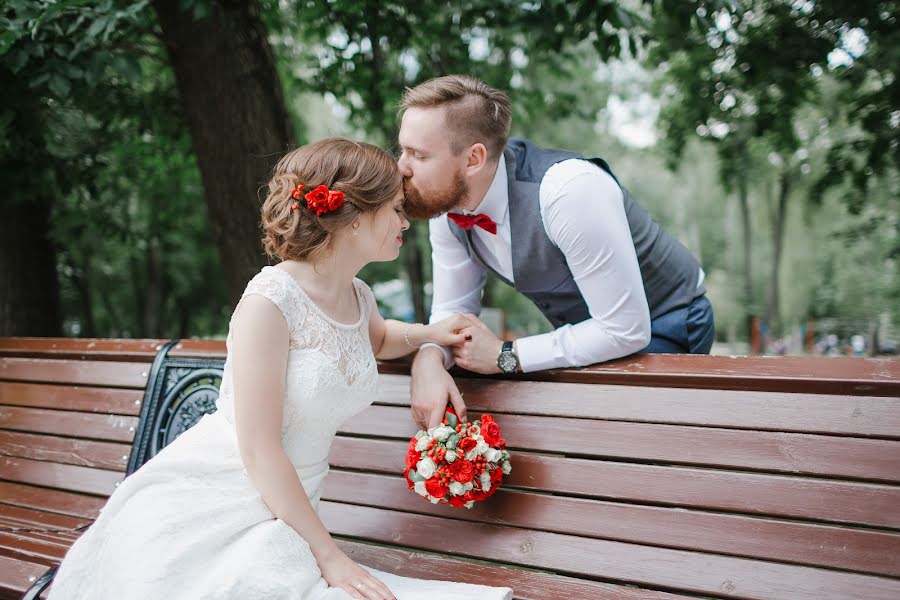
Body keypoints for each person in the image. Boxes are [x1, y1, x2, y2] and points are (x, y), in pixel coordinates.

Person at [48, 138, 512, 600]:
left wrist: (432, 335)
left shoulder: (356, 294)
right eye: (394, 209)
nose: (404, 222)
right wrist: (330, 556)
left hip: (295, 501)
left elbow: (378, 339)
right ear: (352, 217)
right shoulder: (269, 304)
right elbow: (259, 450)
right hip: (224, 496)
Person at [397, 75, 714, 430]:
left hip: (666, 322)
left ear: (473, 158)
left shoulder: (569, 193)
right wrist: (428, 356)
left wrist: (506, 356)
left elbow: (626, 330)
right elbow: (452, 311)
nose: (401, 167)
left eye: (419, 155)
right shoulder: (448, 206)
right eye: (403, 149)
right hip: (583, 337)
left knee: (614, 446)